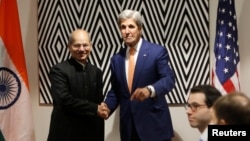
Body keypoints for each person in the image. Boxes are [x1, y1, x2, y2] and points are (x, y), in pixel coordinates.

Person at [101, 9, 176, 141]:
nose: (127, 31)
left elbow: (168, 79)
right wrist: (107, 106)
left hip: (154, 126)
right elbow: (116, 90)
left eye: (131, 26)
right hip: (128, 129)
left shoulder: (157, 51)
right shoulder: (116, 59)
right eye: (123, 27)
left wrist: (150, 90)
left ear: (140, 29)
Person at [47, 29, 106, 141]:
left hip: (91, 133)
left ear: (91, 46)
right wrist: (96, 108)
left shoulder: (97, 72)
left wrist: (103, 109)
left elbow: (99, 102)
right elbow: (64, 100)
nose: (82, 49)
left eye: (85, 45)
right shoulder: (58, 70)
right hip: (65, 133)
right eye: (77, 45)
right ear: (69, 46)